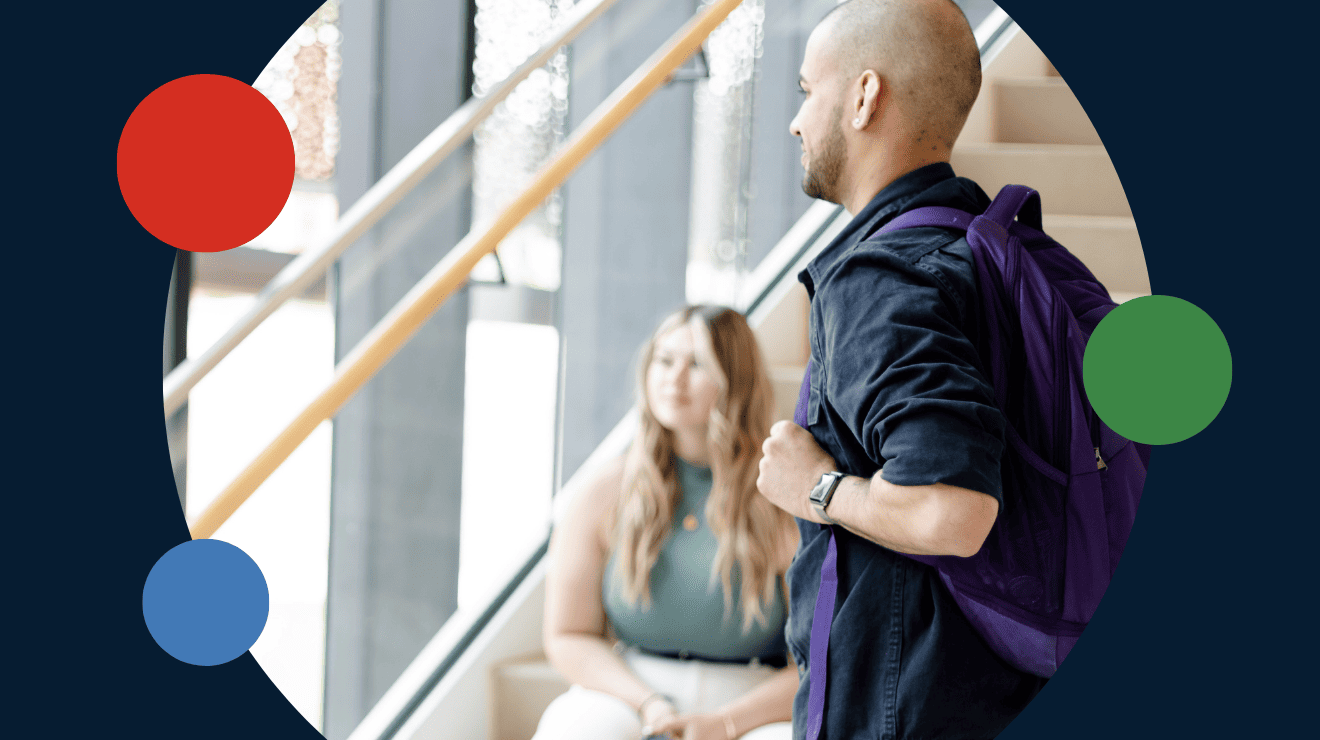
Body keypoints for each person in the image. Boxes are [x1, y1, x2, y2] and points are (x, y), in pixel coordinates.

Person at [754, 1, 1050, 738]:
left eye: (806, 90)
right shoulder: (991, 248)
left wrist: (813, 487)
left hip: (904, 705)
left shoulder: (882, 278)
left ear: (863, 96)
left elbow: (953, 510)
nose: (795, 122)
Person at [537, 305, 800, 740]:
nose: (673, 379)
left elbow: (817, 660)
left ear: (736, 379)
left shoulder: (779, 493)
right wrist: (649, 704)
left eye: (697, 364)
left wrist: (725, 723)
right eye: (664, 360)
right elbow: (568, 635)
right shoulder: (604, 490)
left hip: (754, 697)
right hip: (631, 689)